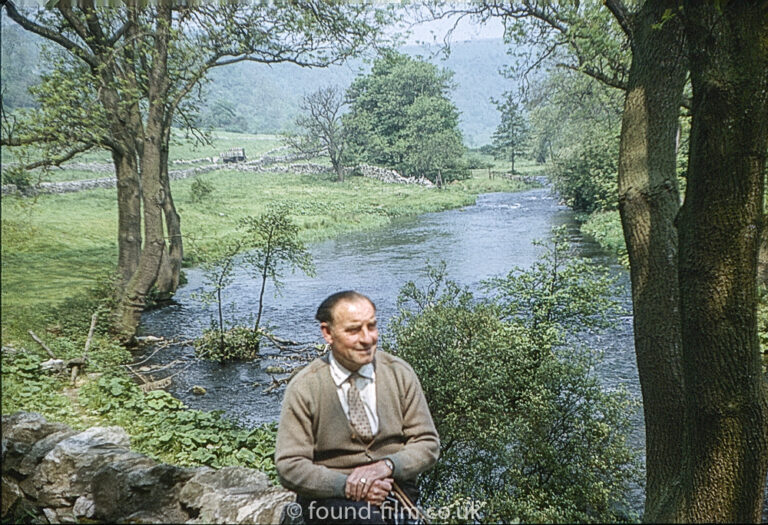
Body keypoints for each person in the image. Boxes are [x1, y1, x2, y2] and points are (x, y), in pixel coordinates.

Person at [275, 291, 439, 524]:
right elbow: (289, 466)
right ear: (327, 333)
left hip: (394, 492)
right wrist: (348, 486)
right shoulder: (305, 386)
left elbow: (427, 444)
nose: (367, 338)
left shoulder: (399, 373)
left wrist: (387, 466)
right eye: (353, 330)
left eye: (371, 326)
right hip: (329, 501)